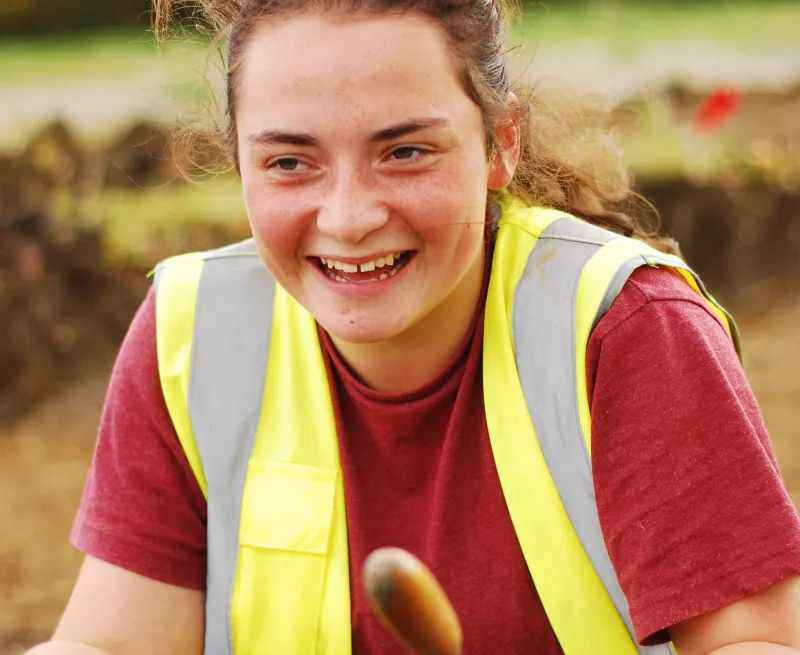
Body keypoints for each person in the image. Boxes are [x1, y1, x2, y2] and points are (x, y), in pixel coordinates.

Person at [27, 0, 800, 654]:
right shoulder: (192, 333)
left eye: (404, 151)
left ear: (502, 144)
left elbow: (754, 640)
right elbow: (110, 640)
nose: (350, 217)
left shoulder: (622, 328)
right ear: (239, 159)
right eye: (291, 163)